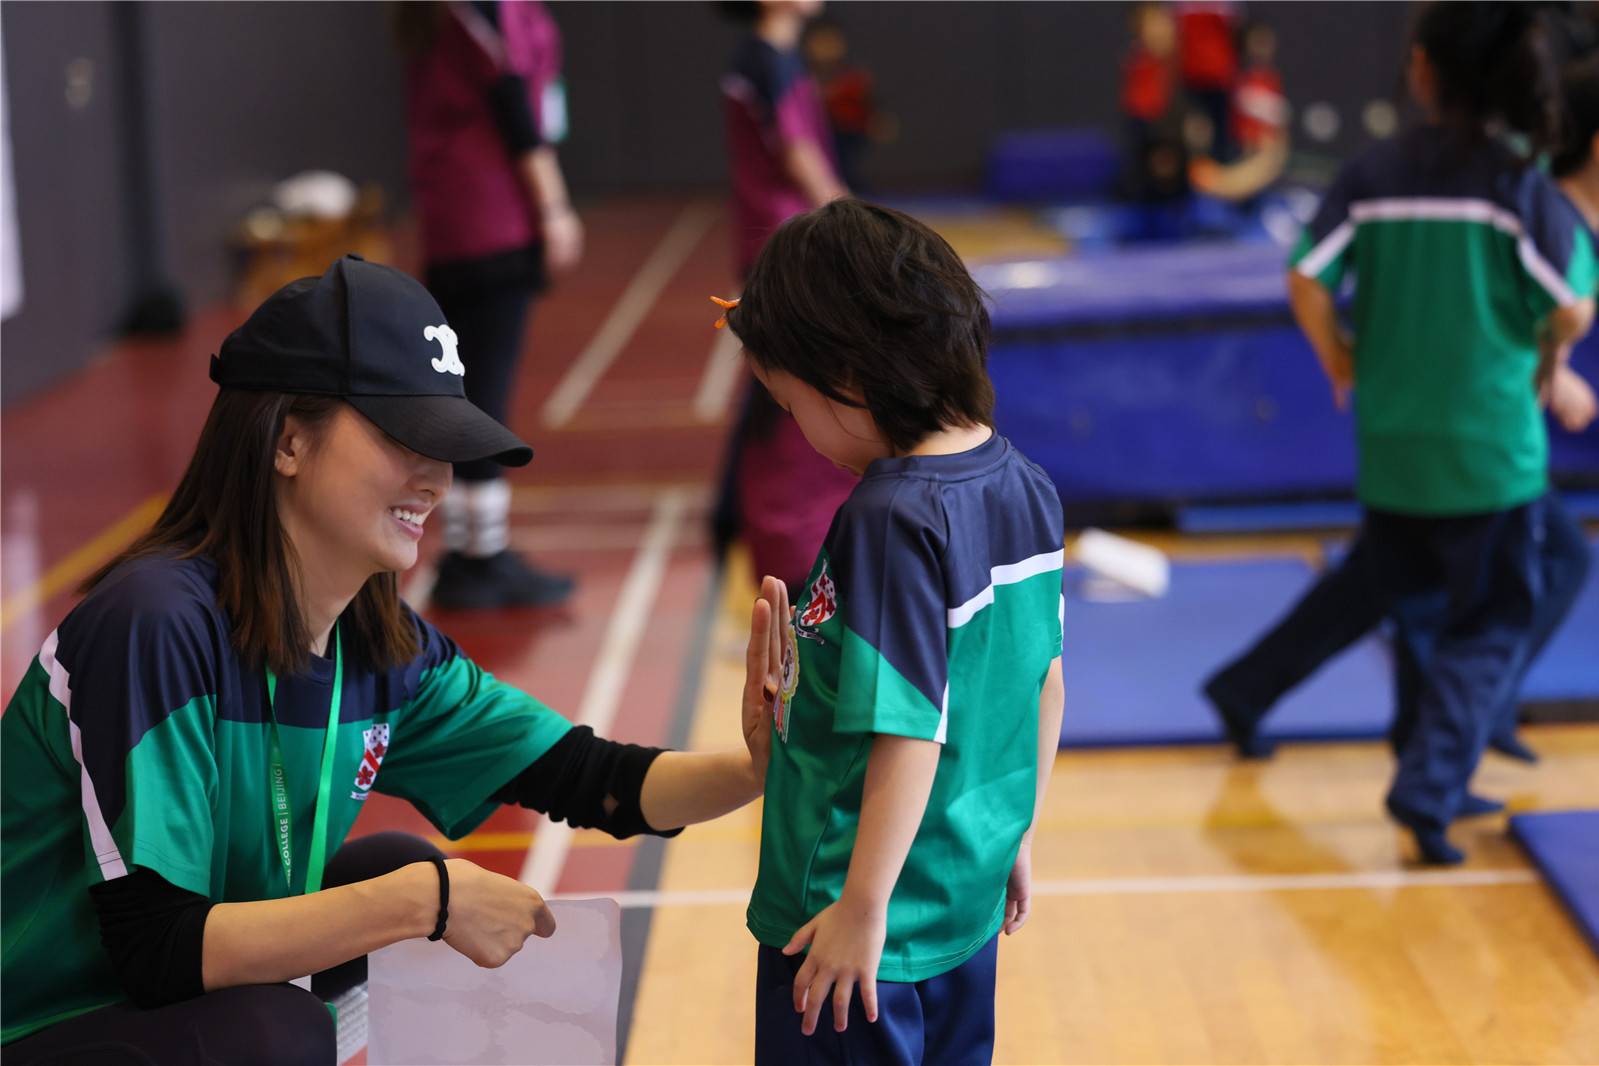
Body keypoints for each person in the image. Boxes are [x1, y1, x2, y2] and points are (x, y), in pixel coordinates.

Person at [0, 257, 784, 1064]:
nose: (436, 479)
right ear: (289, 441)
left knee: (392, 873)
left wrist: (759, 766)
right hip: (41, 1023)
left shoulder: (378, 648)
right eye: (403, 438)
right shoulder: (155, 625)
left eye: (446, 447)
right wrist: (423, 901)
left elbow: (595, 780)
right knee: (281, 1027)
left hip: (161, 1013)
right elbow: (159, 951)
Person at [1203, 3, 1597, 866]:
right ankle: (1429, 779)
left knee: (1401, 591)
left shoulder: (1373, 172)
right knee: (1489, 620)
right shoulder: (1512, 185)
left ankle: (1269, 698)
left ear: (1420, 71)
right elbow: (1570, 305)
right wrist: (1546, 359)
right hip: (1488, 452)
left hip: (1390, 446)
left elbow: (1305, 276)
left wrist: (1339, 358)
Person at [718, 200, 1067, 1064]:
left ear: (847, 374)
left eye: (792, 407)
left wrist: (861, 910)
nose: (798, 433)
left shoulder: (890, 516)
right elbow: (1039, 679)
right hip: (960, 894)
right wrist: (1011, 833)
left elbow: (908, 724)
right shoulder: (1022, 483)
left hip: (851, 932)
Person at [396, 0, 583, 609]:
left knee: (469, 390)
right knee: (485, 396)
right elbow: (516, 113)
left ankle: (474, 552)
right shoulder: (478, 14)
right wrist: (553, 209)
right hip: (490, 220)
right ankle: (480, 560)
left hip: (453, 219)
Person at [713, 0, 857, 595]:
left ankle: (732, 525)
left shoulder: (774, 58)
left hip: (783, 241)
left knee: (771, 396)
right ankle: (756, 537)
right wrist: (848, 216)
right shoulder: (764, 61)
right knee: (779, 400)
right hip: (790, 245)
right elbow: (798, 152)